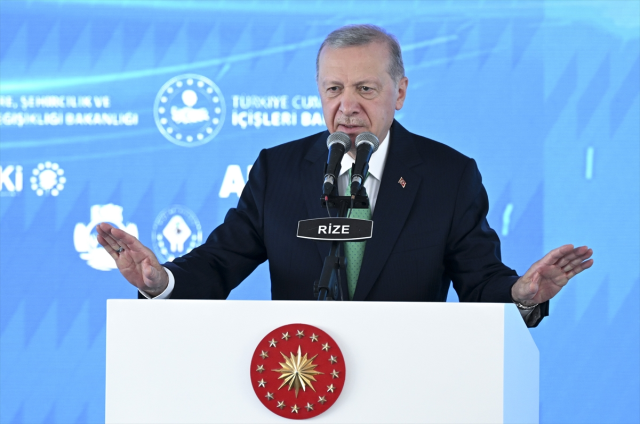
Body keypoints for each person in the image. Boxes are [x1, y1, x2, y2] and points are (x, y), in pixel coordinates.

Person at [96, 24, 593, 327]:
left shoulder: (448, 176)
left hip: (410, 387)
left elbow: (480, 281)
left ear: (400, 92)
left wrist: (520, 296)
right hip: (300, 383)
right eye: (333, 88)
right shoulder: (279, 170)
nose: (347, 105)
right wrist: (161, 281)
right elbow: (219, 263)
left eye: (365, 89)